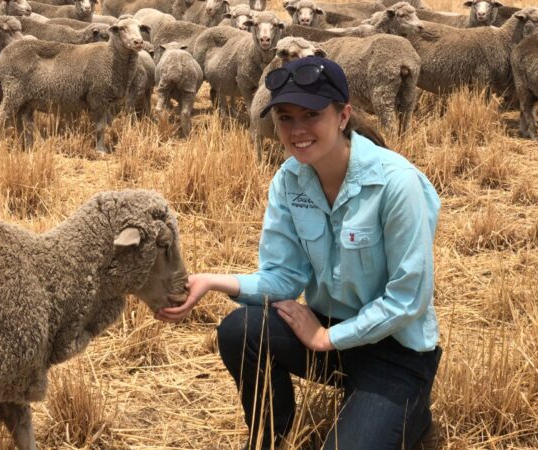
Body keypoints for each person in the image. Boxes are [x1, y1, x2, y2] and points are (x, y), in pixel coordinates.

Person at [155, 56, 442, 450]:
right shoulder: (289, 181)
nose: (297, 129)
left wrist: (327, 337)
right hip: (328, 333)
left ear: (343, 116)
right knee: (240, 330)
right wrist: (210, 282)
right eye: (285, 117)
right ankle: (271, 438)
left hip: (395, 352)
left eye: (311, 114)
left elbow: (409, 298)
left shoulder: (396, 183)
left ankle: (410, 413)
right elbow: (285, 278)